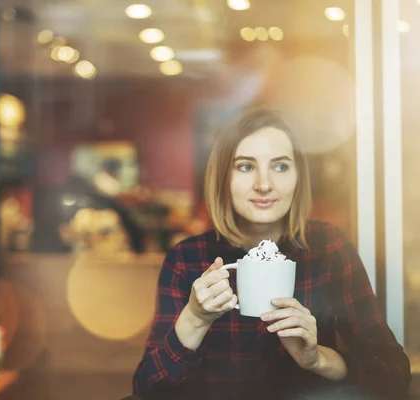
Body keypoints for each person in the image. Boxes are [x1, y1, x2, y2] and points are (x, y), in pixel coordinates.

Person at [132, 109, 411, 400]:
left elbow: (393, 374)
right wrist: (194, 319)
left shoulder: (328, 247)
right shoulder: (187, 260)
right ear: (223, 177)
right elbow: (147, 391)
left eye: (280, 167)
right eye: (245, 167)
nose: (264, 184)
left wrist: (318, 359)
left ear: (298, 177)